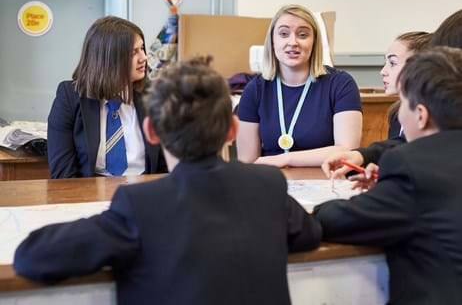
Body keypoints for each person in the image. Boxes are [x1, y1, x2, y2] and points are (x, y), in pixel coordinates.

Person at [14, 57, 322, 305]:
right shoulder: (268, 185)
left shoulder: (139, 206)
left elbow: (32, 257)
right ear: (232, 130)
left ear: (151, 131)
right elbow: (308, 233)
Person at [314, 47, 462, 304]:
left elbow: (338, 220)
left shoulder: (410, 164)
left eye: (403, 103)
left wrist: (317, 210)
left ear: (421, 115)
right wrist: (389, 189)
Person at [236, 4, 363, 166]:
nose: (293, 42)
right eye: (283, 34)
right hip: (271, 182)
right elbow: (248, 162)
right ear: (272, 41)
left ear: (314, 42)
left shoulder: (341, 84)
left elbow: (347, 151)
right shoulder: (255, 90)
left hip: (325, 181)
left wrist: (286, 158)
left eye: (302, 35)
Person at [47, 16, 167, 178]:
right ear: (108, 58)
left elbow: (165, 165)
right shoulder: (69, 97)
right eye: (134, 52)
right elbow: (63, 174)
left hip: (145, 192)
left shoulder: (155, 95)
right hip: (88, 196)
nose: (144, 58)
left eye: (142, 48)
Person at [320, 31, 430, 178]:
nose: (382, 72)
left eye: (392, 63)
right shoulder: (397, 113)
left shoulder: (434, 116)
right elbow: (397, 154)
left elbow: (409, 151)